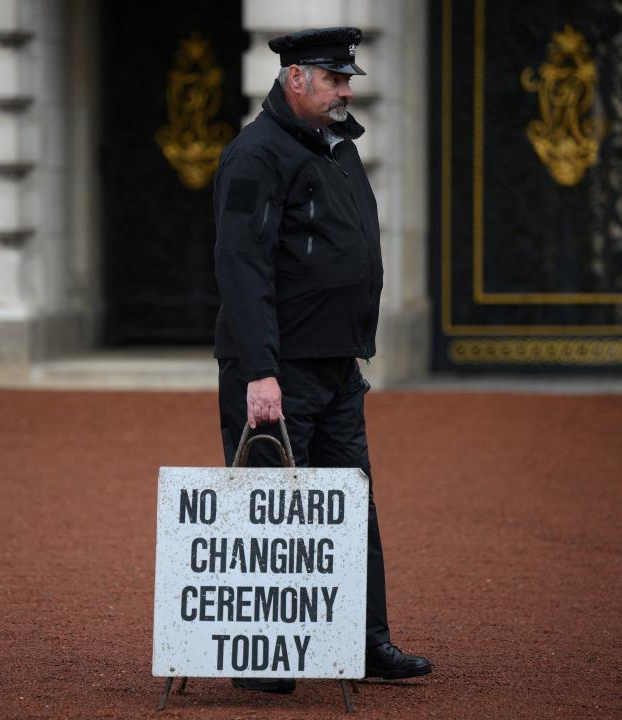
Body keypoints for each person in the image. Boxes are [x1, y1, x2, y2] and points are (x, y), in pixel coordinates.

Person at [213, 26, 432, 693]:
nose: (344, 91)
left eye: (347, 80)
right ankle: (262, 658)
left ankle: (365, 642)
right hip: (280, 371)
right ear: (295, 79)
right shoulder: (254, 156)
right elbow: (241, 267)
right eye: (334, 79)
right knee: (270, 513)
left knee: (348, 509)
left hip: (336, 366)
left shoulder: (336, 146)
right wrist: (260, 372)